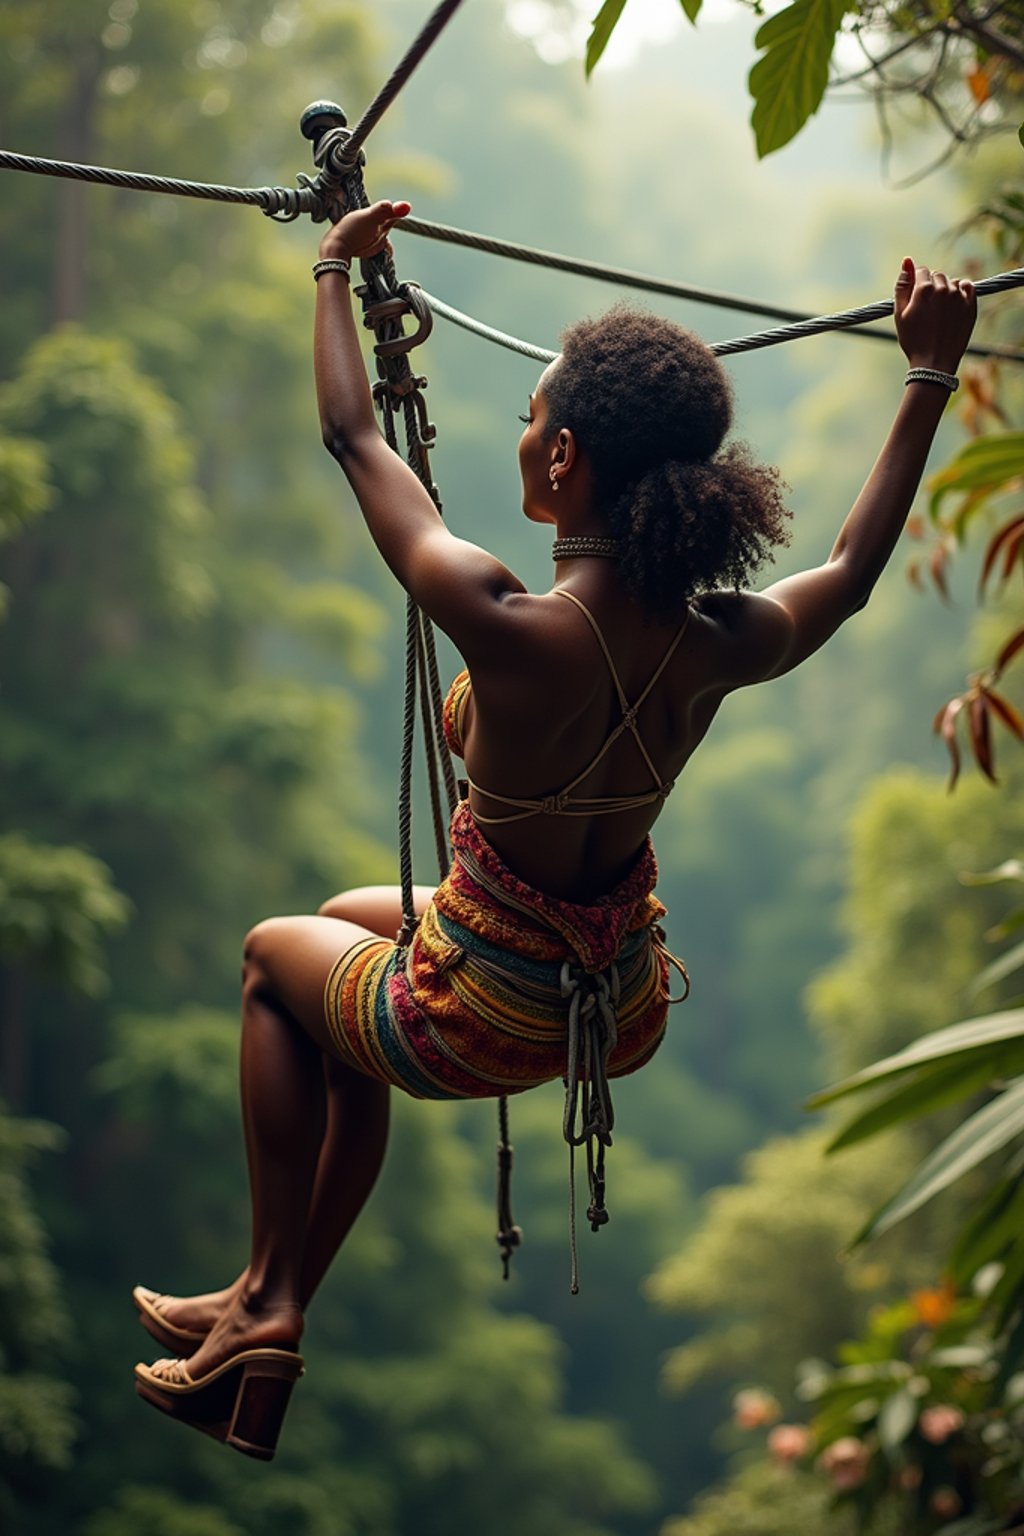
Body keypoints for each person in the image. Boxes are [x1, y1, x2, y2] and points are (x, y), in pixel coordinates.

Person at [132, 200, 978, 1458]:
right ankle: (270, 1303)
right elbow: (851, 570)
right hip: (607, 997)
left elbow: (351, 432)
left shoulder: (509, 625)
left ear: (566, 456)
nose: (523, 437)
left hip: (477, 1009)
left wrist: (329, 268)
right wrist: (927, 372)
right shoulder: (717, 641)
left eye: (531, 420)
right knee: (341, 928)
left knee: (271, 958)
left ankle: (267, 1300)